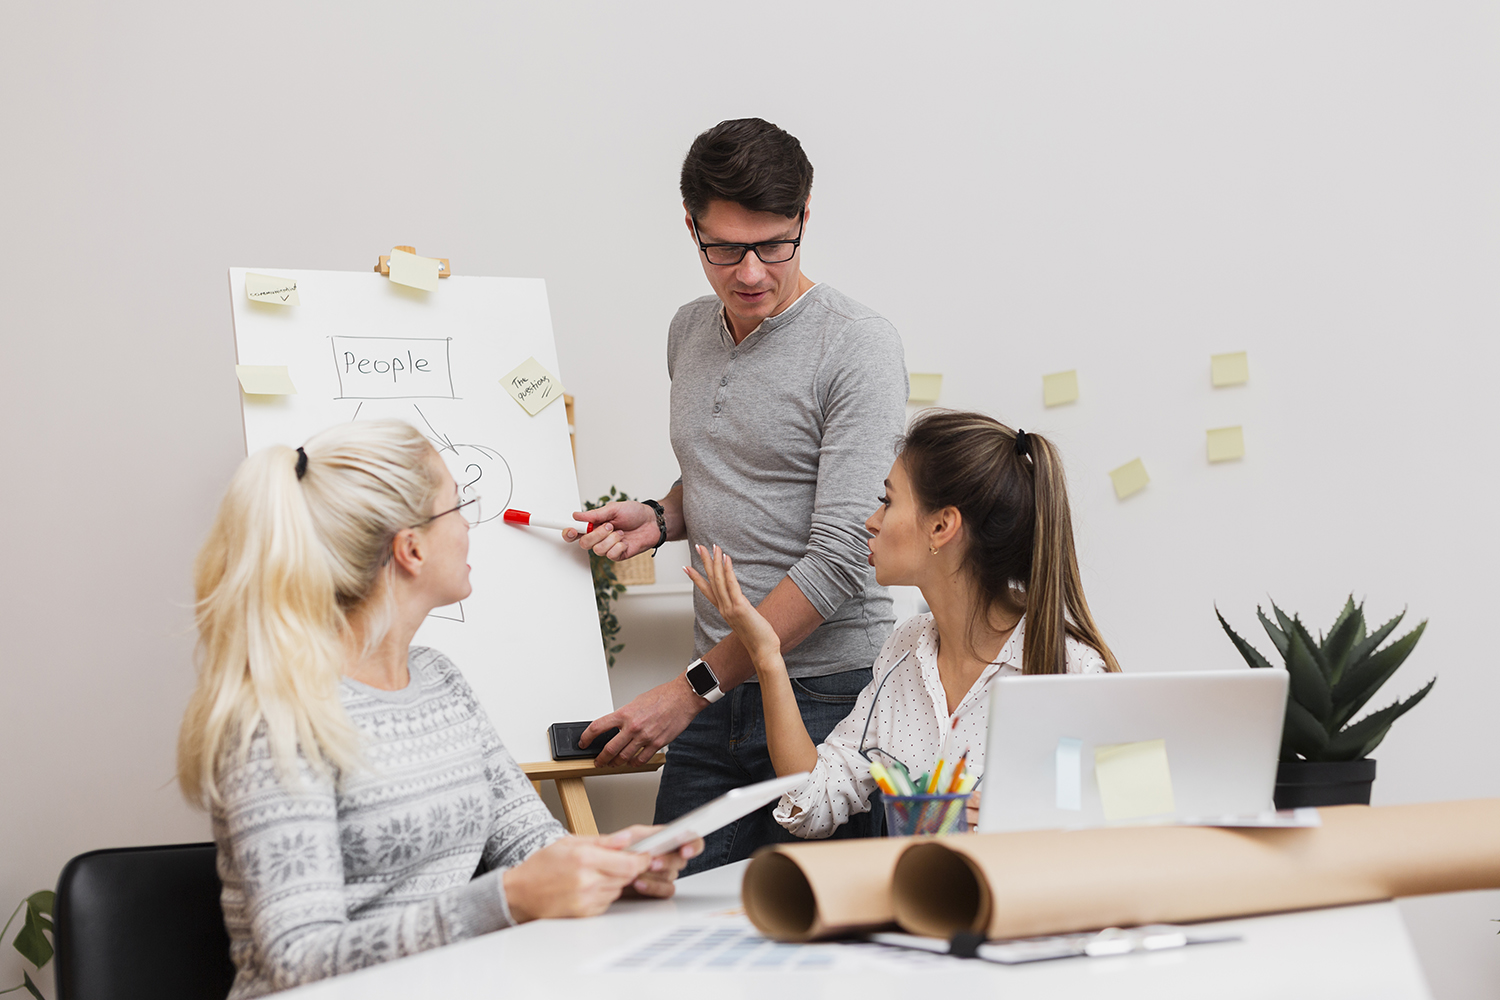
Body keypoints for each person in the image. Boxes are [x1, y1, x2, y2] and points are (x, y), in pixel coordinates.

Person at [177, 420, 698, 998]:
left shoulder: (437, 679)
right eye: (458, 506)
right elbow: (297, 962)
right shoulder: (277, 718)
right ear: (412, 547)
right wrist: (508, 899)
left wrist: (615, 866)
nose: (472, 526)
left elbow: (530, 842)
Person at [564, 118, 908, 870]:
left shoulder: (857, 345)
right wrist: (663, 515)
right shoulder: (687, 330)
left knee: (829, 936)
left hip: (827, 696)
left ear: (805, 217)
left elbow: (845, 555)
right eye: (724, 248)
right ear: (690, 228)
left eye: (775, 245)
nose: (751, 272)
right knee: (671, 922)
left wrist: (691, 689)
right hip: (715, 699)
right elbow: (734, 463)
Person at [686, 410, 1121, 838]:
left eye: (888, 501)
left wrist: (1029, 818)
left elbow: (1145, 815)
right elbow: (814, 801)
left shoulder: (1076, 669)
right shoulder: (905, 649)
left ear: (941, 526)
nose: (871, 522)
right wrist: (766, 655)